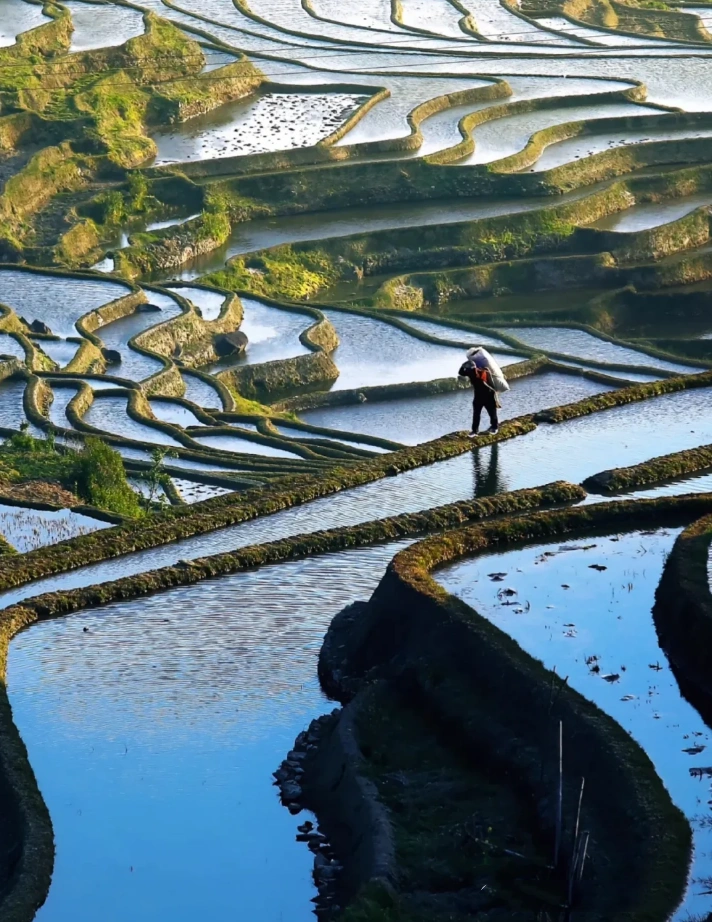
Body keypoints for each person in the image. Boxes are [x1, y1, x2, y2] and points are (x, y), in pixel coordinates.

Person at [459, 353, 499, 438]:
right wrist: (464, 365)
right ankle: (475, 431)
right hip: (478, 396)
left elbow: (462, 372)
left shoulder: (482, 372)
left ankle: (494, 427)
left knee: (491, 413)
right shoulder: (475, 372)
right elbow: (461, 372)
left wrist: (464, 366)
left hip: (488, 395)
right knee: (477, 414)